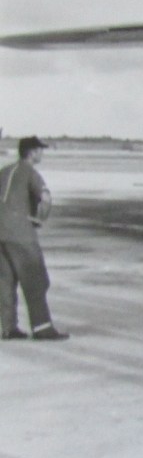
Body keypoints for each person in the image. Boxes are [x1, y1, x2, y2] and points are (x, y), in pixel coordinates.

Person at [0, 136, 68, 340]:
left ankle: (8, 327)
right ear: (32, 152)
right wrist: (40, 219)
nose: (42, 153)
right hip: (20, 233)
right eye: (40, 150)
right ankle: (42, 328)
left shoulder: (4, 171)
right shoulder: (30, 172)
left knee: (5, 281)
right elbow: (45, 197)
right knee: (36, 279)